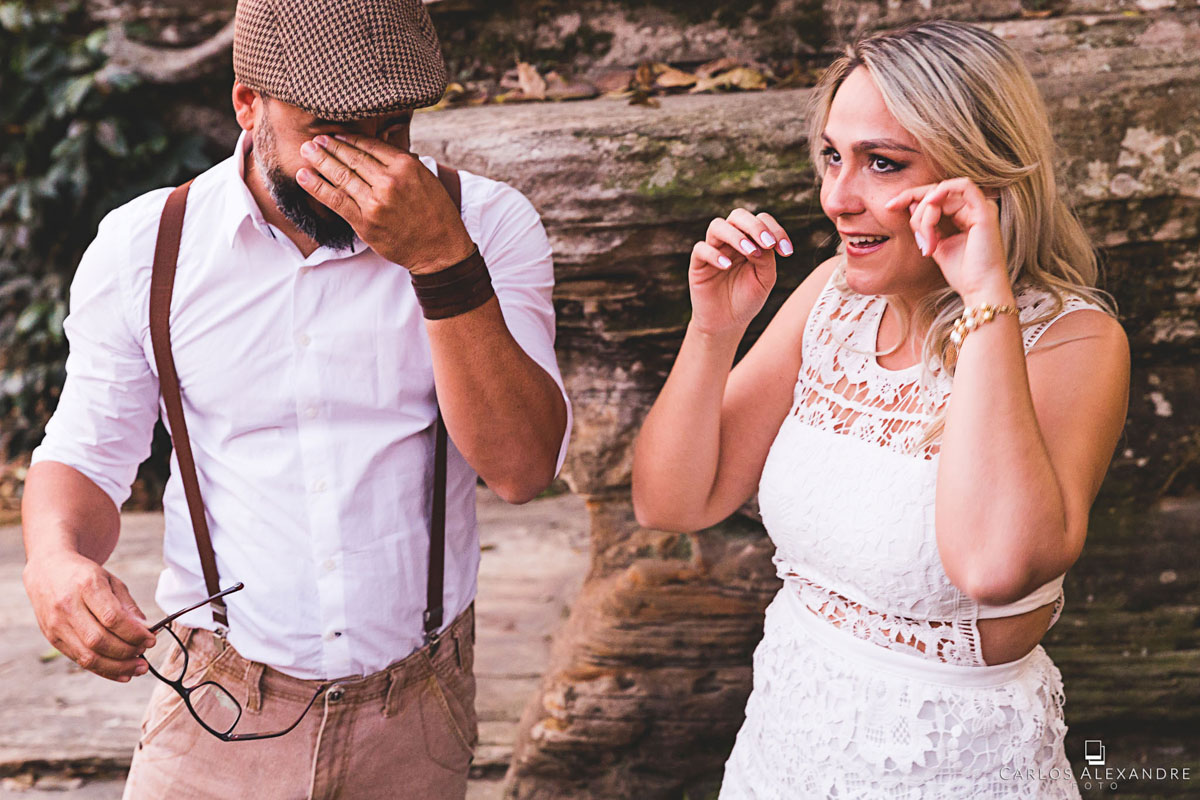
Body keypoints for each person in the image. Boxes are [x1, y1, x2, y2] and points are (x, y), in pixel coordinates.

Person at [20, 1, 570, 797]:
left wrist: (441, 260)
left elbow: (523, 469)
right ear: (248, 104)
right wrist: (54, 560)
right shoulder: (148, 247)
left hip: (415, 708)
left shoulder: (487, 223)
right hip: (214, 700)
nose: (372, 160)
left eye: (392, 127)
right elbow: (86, 451)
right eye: (332, 130)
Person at [632, 20, 1129, 799]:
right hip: (786, 743)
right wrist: (714, 330)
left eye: (882, 164)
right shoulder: (831, 293)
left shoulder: (1076, 342)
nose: (837, 197)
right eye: (832, 155)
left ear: (981, 179)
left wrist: (984, 296)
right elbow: (672, 501)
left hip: (953, 768)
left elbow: (996, 570)